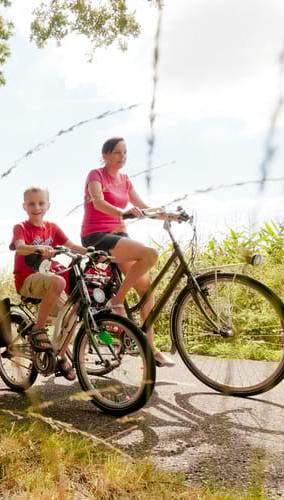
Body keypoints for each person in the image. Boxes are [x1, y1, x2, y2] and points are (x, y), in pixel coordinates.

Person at [80, 137, 176, 367]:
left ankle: (150, 349)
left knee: (147, 291)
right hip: (97, 236)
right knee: (150, 253)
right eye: (116, 152)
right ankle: (118, 300)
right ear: (105, 155)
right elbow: (98, 202)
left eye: (124, 153)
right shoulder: (96, 175)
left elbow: (143, 207)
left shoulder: (124, 179)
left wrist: (169, 215)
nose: (122, 157)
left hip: (119, 236)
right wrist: (122, 213)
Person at [10, 186, 86, 381]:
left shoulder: (52, 227)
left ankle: (60, 356)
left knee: (73, 314)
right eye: (31, 204)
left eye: (41, 203)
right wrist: (38, 248)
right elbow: (20, 247)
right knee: (58, 280)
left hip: (48, 281)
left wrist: (93, 252)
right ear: (24, 206)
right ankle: (38, 329)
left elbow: (72, 246)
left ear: (48, 206)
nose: (36, 207)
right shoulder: (21, 227)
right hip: (26, 279)